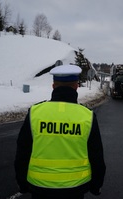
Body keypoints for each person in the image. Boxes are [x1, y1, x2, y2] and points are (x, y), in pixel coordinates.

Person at [14, 64, 106, 199]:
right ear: (76, 87)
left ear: (53, 86)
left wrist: (22, 183)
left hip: (40, 188)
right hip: (75, 189)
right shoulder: (87, 116)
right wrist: (96, 185)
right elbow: (96, 155)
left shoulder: (35, 113)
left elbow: (23, 152)